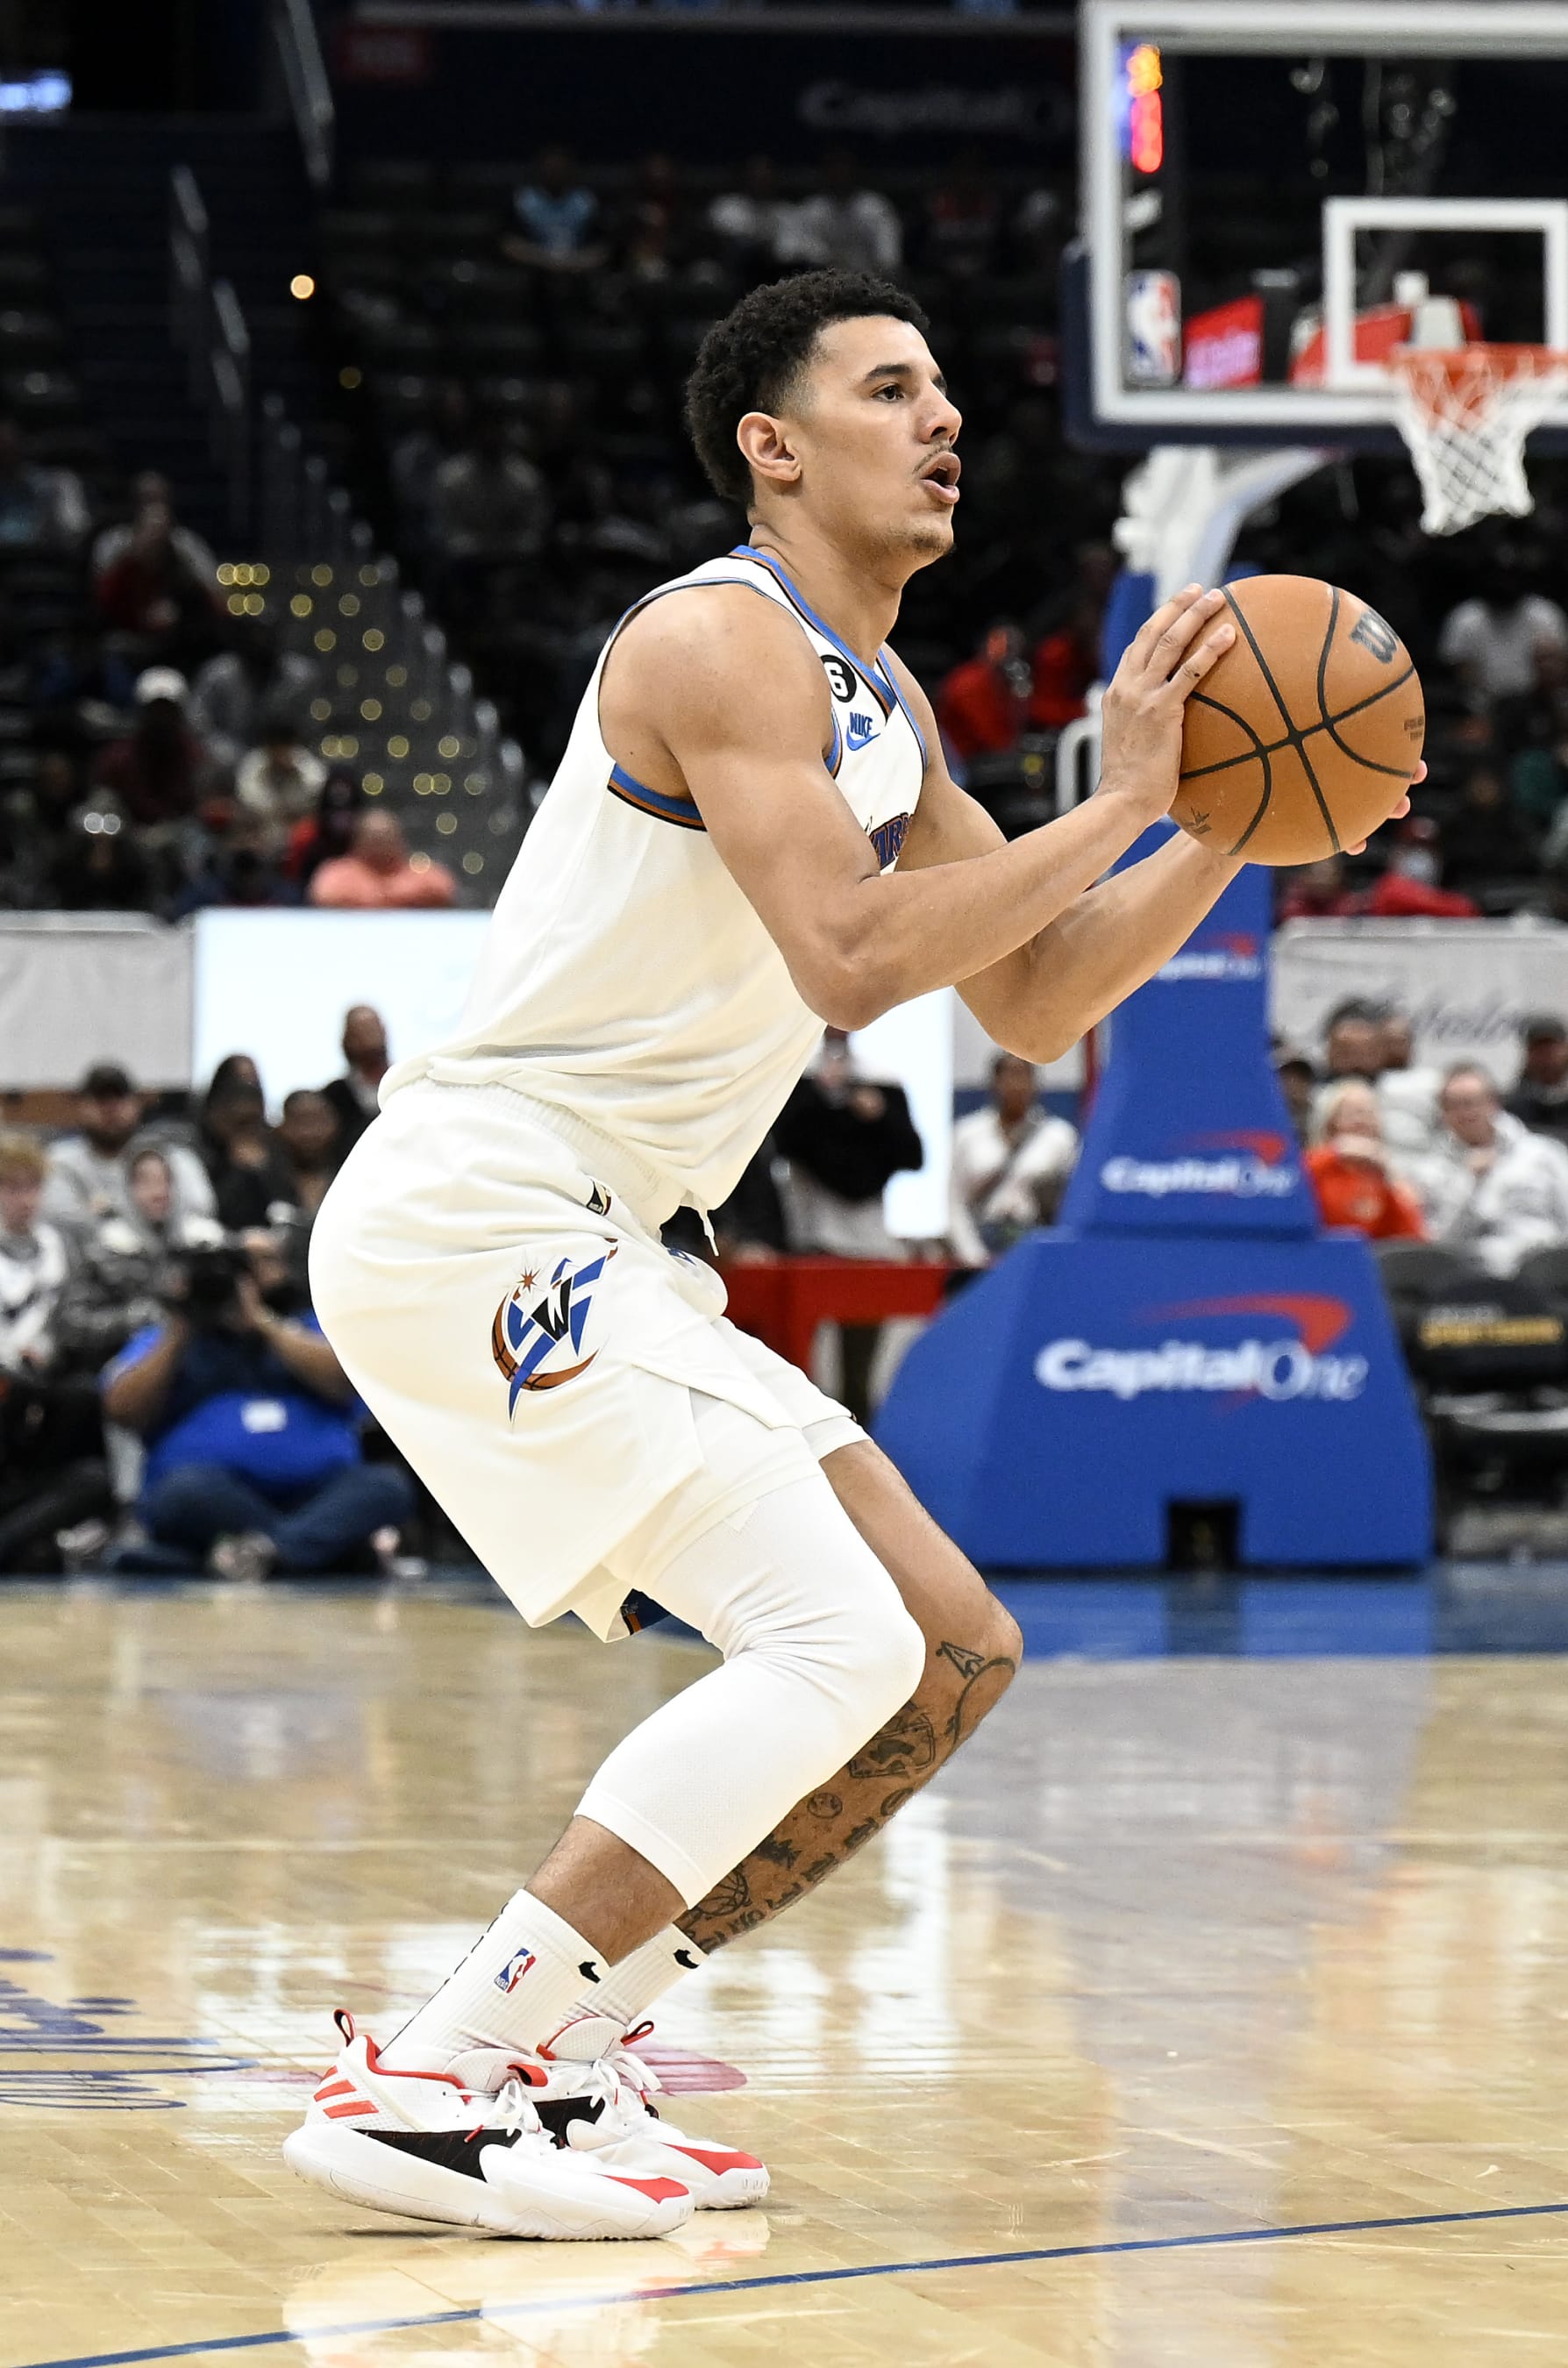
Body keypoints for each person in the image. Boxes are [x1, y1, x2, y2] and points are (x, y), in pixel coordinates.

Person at [289, 266, 1412, 2238]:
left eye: (950, 390)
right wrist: (1130, 794)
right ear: (775, 444)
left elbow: (1039, 997)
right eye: (895, 390)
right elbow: (857, 959)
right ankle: (446, 2069)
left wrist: (1219, 822)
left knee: (948, 1652)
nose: (946, 418)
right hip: (489, 1205)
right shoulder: (722, 640)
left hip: (607, 1234)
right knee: (835, 1639)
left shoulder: (880, 707)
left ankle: (574, 2040)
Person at [101, 1230, 411, 1581]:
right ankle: (315, 1552)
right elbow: (121, 1409)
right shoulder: (170, 1338)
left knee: (387, 1486)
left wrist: (263, 1322)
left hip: (319, 1492)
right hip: (216, 1497)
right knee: (181, 1495)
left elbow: (345, 1383)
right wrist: (181, 1328)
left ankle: (261, 1555)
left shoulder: (305, 1325)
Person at [0, 1134, 111, 1574]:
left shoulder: (63, 1248)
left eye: (31, 1187)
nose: (23, 1199)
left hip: (47, 1401)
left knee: (92, 1472)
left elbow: (78, 1322)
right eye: (11, 1187)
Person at [1410, 1064, 1568, 1276]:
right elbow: (1439, 1245)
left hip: (1545, 1266)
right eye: (1453, 1106)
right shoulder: (1428, 1171)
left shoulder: (1543, 1153)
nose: (1465, 1113)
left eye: (1472, 1103)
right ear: (1443, 1113)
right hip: (1476, 1274)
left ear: (1494, 1104)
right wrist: (1467, 1182)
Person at [42, 1063, 216, 1235]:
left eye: (119, 1098)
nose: (110, 1109)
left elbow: (201, 1210)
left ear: (136, 1104)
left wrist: (104, 1212)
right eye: (100, 1099)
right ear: (82, 1106)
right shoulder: (59, 1162)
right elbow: (56, 1218)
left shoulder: (173, 1157)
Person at [948, 1052, 1079, 1266]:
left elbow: (1071, 1202)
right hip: (982, 1241)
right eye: (1008, 1076)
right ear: (993, 1083)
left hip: (1035, 1242)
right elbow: (955, 1202)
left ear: (1035, 1084)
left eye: (1023, 1076)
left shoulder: (1059, 1136)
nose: (1016, 1085)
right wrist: (973, 1257)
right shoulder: (967, 1134)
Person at [92, 668, 217, 828]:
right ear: (142, 712)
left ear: (179, 714)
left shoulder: (196, 759)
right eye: (155, 711)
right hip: (129, 835)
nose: (161, 719)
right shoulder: (116, 759)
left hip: (181, 838)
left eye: (168, 711)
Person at [1303, 1081, 1425, 1242]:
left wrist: (1390, 1178)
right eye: (1354, 1114)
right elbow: (1294, 1183)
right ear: (1331, 1122)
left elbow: (1413, 1236)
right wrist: (1336, 1152)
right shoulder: (1317, 1163)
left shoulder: (1385, 1175)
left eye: (1370, 1113)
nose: (1364, 1121)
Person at [1437, 560, 1568, 708]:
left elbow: (1560, 666)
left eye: (1510, 577)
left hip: (1539, 702)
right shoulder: (1466, 618)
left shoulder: (1544, 614)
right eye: (1499, 578)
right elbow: (1459, 671)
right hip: (1483, 705)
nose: (1505, 584)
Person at [777, 152, 902, 275]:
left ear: (855, 170)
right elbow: (786, 251)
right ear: (824, 171)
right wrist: (824, 257)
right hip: (820, 284)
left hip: (868, 284)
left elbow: (889, 258)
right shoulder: (811, 209)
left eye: (844, 166)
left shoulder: (875, 207)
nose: (839, 173)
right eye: (833, 167)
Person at [308, 811, 456, 909]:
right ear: (359, 840)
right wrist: (395, 898)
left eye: (385, 837)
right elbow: (325, 894)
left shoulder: (419, 870)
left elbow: (444, 889)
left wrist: (385, 896)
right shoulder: (338, 871)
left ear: (399, 840)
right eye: (374, 838)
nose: (380, 844)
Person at [936, 623, 1030, 767]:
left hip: (982, 758)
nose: (1013, 654)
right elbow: (991, 738)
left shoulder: (999, 680)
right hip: (960, 765)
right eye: (1008, 645)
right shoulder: (970, 682)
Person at [503, 146, 606, 274]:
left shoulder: (586, 201)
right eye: (550, 168)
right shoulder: (523, 200)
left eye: (560, 168)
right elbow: (508, 242)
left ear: (570, 170)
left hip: (579, 265)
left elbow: (602, 247)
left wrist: (574, 261)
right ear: (540, 169)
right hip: (532, 266)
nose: (555, 173)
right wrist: (544, 260)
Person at [234, 725, 329, 856]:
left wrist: (294, 777)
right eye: (275, 748)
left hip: (298, 843)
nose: (280, 754)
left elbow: (315, 799)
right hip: (261, 839)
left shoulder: (309, 769)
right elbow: (249, 803)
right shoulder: (253, 766)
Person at [320, 1005, 390, 1157]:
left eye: (373, 1029)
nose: (370, 1037)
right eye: (361, 1031)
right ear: (348, 1039)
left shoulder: (407, 1083)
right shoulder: (334, 1095)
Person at [1505, 1016, 1568, 1152]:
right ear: (1528, 1054)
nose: (1546, 1056)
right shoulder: (1511, 1106)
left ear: (1565, 1049)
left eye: (1551, 1048)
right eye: (1539, 1049)